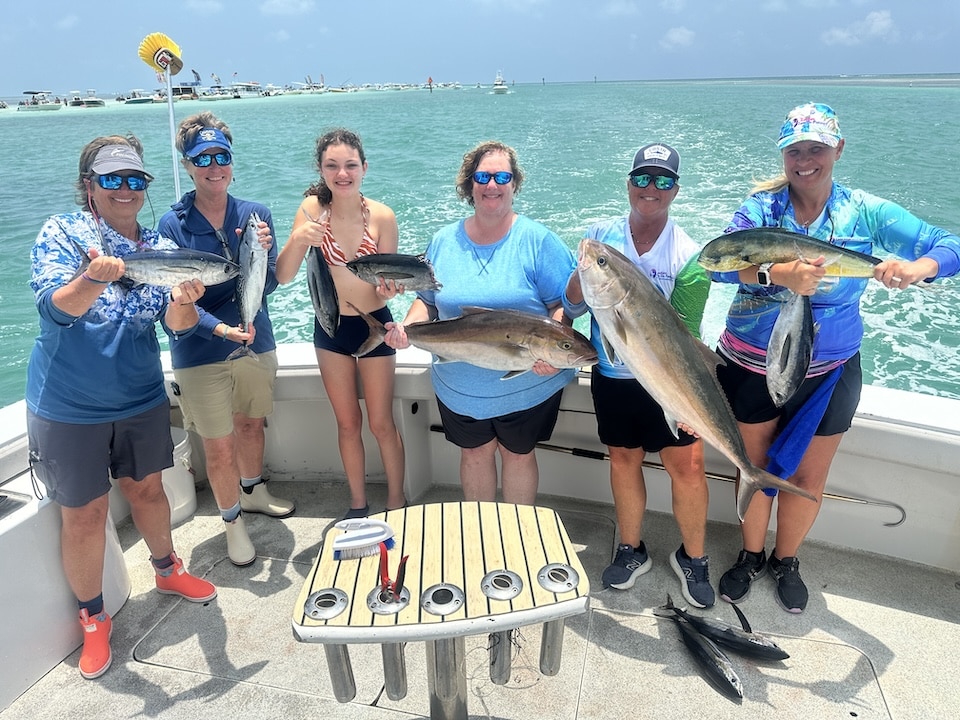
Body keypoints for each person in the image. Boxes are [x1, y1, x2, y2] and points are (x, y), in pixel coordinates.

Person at [711, 103, 960, 613]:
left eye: (816, 148)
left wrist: (917, 268)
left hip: (831, 370)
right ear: (783, 154)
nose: (805, 160)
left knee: (808, 478)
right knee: (754, 466)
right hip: (755, 362)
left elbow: (949, 245)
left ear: (838, 149)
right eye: (795, 150)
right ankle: (751, 554)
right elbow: (715, 265)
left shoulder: (866, 212)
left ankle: (787, 560)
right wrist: (776, 276)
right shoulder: (760, 210)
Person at [26, 135, 217, 680]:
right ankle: (93, 621)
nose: (127, 189)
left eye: (136, 179)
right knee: (84, 515)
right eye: (113, 179)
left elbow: (175, 328)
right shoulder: (63, 233)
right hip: (69, 406)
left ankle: (166, 569)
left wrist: (184, 302)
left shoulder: (158, 245)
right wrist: (91, 277)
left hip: (139, 397)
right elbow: (56, 312)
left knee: (148, 490)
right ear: (90, 185)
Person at [563, 143, 715, 607]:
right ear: (629, 183)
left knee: (686, 467)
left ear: (676, 190)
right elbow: (571, 305)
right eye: (643, 178)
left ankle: (694, 558)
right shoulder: (599, 237)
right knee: (623, 459)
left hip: (667, 380)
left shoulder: (689, 256)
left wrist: (690, 401)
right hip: (613, 376)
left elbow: (686, 337)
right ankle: (631, 549)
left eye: (664, 181)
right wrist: (583, 275)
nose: (652, 189)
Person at [384, 140, 576, 505]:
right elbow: (426, 302)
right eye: (483, 177)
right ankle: (483, 537)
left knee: (518, 455)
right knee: (473, 455)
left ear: (514, 184)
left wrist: (553, 354)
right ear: (469, 185)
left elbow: (561, 306)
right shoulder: (443, 241)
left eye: (502, 176)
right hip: (459, 386)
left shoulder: (539, 241)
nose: (492, 185)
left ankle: (517, 537)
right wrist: (405, 331)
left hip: (527, 385)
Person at [158, 112, 294, 567]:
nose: (214, 166)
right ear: (188, 163)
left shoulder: (256, 215)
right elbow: (172, 299)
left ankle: (253, 491)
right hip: (200, 350)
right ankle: (233, 523)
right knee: (217, 446)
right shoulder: (172, 225)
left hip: (256, 338)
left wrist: (266, 255)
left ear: (232, 161)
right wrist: (217, 328)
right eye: (203, 158)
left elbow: (269, 284)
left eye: (222, 156)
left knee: (251, 425)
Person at [276, 128, 407, 518]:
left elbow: (388, 284)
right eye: (332, 165)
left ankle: (398, 502)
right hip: (330, 329)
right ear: (321, 169)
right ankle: (357, 504)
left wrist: (389, 292)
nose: (342, 173)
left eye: (351, 165)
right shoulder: (310, 210)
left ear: (364, 168)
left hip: (375, 327)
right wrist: (300, 238)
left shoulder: (383, 216)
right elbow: (283, 276)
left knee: (381, 423)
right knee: (348, 423)